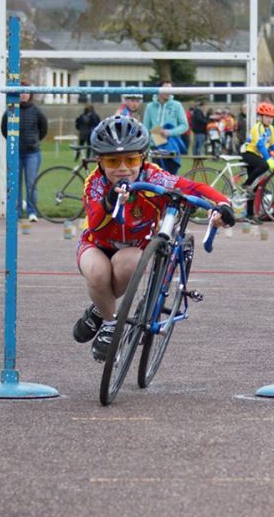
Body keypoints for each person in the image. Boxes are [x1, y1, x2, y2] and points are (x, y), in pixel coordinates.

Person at [70, 115, 233, 362]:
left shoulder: (153, 176)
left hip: (134, 248)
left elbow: (191, 187)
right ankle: (111, 321)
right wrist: (109, 201)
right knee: (97, 273)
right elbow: (95, 222)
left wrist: (222, 203)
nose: (123, 168)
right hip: (97, 243)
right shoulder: (94, 183)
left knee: (128, 264)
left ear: (143, 158)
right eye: (113, 160)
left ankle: (100, 310)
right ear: (99, 161)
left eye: (132, 159)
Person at [1, 89, 49, 222]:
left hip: (32, 153)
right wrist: (12, 142)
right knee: (15, 183)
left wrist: (35, 140)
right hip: (16, 152)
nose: (23, 95)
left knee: (31, 183)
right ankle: (16, 212)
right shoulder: (11, 110)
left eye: (26, 92)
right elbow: (4, 128)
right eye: (21, 92)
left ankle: (32, 211)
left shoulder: (36, 111)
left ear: (30, 95)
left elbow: (44, 128)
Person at [239, 102, 274, 222]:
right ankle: (245, 185)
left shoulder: (271, 129)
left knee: (255, 186)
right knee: (264, 165)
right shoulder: (257, 128)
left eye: (271, 117)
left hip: (258, 156)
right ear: (261, 117)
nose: (269, 119)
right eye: (267, 116)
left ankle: (249, 215)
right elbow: (260, 145)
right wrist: (268, 159)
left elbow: (273, 144)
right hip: (249, 153)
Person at [141, 81, 188, 174]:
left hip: (171, 146)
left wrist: (169, 132)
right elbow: (145, 128)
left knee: (171, 176)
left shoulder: (177, 105)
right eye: (166, 89)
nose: (168, 92)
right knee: (156, 175)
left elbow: (184, 125)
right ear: (158, 90)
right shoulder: (150, 106)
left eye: (170, 89)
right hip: (155, 146)